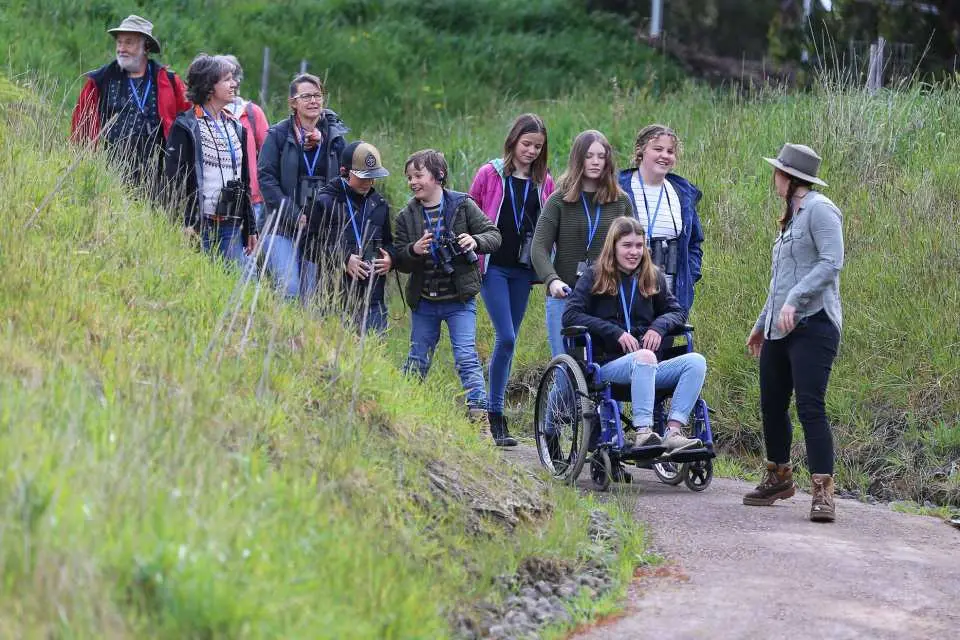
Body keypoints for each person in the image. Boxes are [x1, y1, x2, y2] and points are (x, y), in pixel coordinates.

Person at [743, 143, 844, 523]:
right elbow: (779, 282)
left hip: (813, 324)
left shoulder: (820, 209)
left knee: (809, 406)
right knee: (771, 402)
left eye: (777, 172)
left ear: (789, 177)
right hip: (779, 327)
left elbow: (832, 262)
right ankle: (779, 477)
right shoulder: (790, 217)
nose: (774, 178)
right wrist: (760, 325)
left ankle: (822, 492)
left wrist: (796, 301)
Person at [563, 216, 706, 451]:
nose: (634, 252)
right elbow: (570, 316)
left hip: (649, 368)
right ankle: (643, 432)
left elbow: (677, 312)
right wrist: (615, 333)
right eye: (627, 246)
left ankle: (673, 431)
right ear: (614, 247)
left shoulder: (652, 276)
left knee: (696, 362)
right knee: (645, 357)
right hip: (608, 365)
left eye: (639, 246)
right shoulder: (594, 275)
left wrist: (657, 327)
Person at [394, 149, 502, 423]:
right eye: (409, 177)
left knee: (467, 358)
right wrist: (414, 250)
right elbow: (400, 259)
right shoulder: (406, 216)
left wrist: (474, 242)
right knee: (418, 358)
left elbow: (494, 235)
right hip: (425, 301)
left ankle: (480, 419)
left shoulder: (462, 205)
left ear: (438, 176)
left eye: (418, 175)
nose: (412, 182)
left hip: (459, 300)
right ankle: (402, 412)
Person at [470, 114, 555, 446]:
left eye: (538, 146)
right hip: (492, 267)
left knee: (509, 341)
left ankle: (495, 412)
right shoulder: (489, 173)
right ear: (513, 141)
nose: (532, 151)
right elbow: (468, 209)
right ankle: (494, 414)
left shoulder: (543, 181)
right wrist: (471, 245)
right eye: (526, 144)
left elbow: (550, 221)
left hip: (523, 269)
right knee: (505, 337)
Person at [531, 129, 632, 358]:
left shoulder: (621, 201)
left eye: (601, 156)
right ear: (578, 159)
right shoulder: (559, 200)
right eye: (589, 156)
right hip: (565, 295)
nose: (595, 162)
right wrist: (551, 280)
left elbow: (631, 248)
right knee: (566, 364)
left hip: (606, 297)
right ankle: (557, 395)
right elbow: (539, 247)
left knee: (600, 367)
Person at [70, 14, 190, 195]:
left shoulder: (169, 81)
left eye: (129, 42)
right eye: (119, 42)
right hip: (111, 174)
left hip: (158, 177)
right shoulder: (101, 80)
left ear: (146, 47)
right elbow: (82, 128)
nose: (121, 48)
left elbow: (188, 122)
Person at [257, 74, 349, 299]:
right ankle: (277, 332)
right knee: (289, 288)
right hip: (281, 227)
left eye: (318, 95)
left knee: (311, 298)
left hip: (318, 232)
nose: (314, 101)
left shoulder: (334, 138)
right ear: (293, 103)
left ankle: (298, 336)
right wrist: (294, 215)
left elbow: (345, 179)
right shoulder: (278, 135)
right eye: (306, 96)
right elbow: (266, 179)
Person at [164, 54, 256, 266]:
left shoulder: (235, 127)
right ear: (209, 86)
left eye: (233, 78)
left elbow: (245, 183)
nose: (234, 84)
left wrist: (251, 227)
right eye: (227, 79)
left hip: (232, 225)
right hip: (199, 225)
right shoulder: (185, 126)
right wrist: (183, 222)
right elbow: (173, 180)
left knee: (237, 285)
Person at [300, 141, 394, 334]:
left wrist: (390, 259)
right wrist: (343, 259)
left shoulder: (380, 204)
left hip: (372, 297)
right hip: (334, 297)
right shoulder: (323, 202)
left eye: (373, 177)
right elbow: (306, 245)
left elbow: (388, 243)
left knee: (373, 356)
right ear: (344, 171)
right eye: (363, 177)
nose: (369, 182)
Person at [618, 124, 704, 312]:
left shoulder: (682, 194)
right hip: (625, 293)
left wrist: (689, 275)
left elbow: (694, 243)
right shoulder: (619, 190)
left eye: (670, 151)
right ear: (641, 151)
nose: (664, 155)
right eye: (658, 149)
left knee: (662, 341)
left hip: (670, 295)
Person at [220, 55, 269, 231]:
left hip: (251, 199)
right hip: (214, 198)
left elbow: (268, 154)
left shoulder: (252, 113)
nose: (231, 82)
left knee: (247, 255)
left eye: (232, 77)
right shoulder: (202, 113)